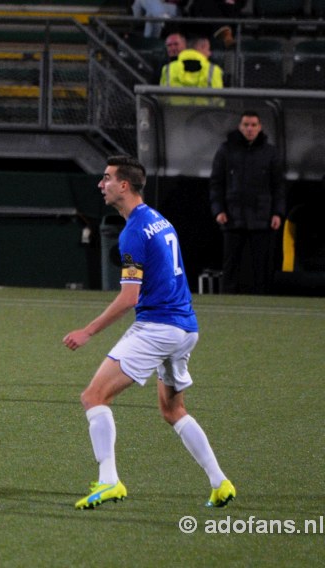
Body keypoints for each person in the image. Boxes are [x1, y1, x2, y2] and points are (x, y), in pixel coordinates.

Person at [63, 155, 235, 510]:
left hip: (158, 328)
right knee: (173, 410)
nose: (101, 184)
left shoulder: (133, 234)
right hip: (186, 327)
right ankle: (220, 482)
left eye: (107, 178)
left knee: (93, 397)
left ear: (124, 185)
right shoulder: (158, 220)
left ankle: (109, 481)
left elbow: (129, 298)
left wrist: (88, 331)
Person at [209, 111, 285, 294]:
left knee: (262, 264)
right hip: (233, 216)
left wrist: (277, 213)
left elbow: (278, 186)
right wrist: (218, 209)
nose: (249, 129)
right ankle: (226, 298)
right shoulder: (226, 150)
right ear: (239, 126)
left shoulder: (270, 152)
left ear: (260, 127)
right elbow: (216, 183)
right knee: (231, 262)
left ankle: (263, 299)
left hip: (262, 216)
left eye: (253, 125)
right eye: (246, 125)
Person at [160, 35, 224, 104]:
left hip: (172, 113)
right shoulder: (214, 70)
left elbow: (162, 98)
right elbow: (218, 102)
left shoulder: (168, 68)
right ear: (202, 47)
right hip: (205, 113)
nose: (209, 53)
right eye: (208, 49)